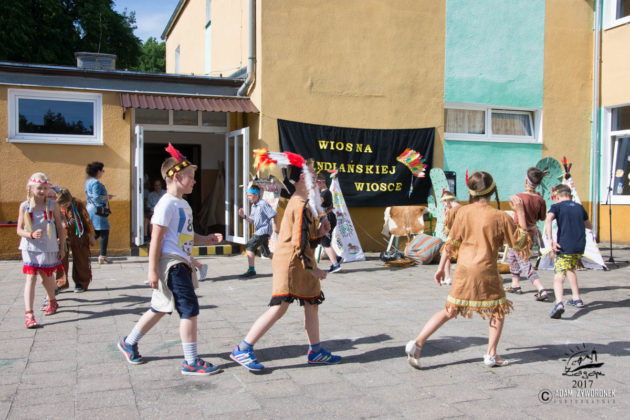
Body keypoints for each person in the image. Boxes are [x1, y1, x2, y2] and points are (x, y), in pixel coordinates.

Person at [405, 171, 530, 369]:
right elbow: (521, 242)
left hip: (463, 270)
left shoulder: (462, 212)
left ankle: (417, 343)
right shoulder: (499, 216)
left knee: (449, 310)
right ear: (492, 191)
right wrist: (520, 213)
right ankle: (491, 354)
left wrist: (440, 268)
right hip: (486, 269)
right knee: (497, 310)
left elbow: (451, 242)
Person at [117, 143, 223, 375]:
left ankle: (129, 342)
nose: (195, 181)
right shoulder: (165, 204)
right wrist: (152, 270)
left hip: (181, 263)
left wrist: (206, 239)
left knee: (160, 307)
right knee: (189, 308)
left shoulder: (183, 204)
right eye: (191, 176)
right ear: (176, 177)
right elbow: (156, 239)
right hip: (172, 264)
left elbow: (186, 236)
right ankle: (191, 361)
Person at [230, 151, 341, 372]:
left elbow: (305, 237)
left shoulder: (304, 203)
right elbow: (299, 242)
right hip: (292, 262)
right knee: (279, 308)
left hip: (300, 260)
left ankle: (316, 351)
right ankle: (243, 348)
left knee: (311, 303)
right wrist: (313, 269)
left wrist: (320, 232)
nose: (317, 179)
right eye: (313, 175)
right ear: (302, 178)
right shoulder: (300, 204)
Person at [16, 173, 66, 328]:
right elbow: (19, 230)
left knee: (46, 278)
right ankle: (29, 314)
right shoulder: (24, 206)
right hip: (30, 247)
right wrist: (30, 234)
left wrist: (62, 247)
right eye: (39, 188)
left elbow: (60, 228)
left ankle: (52, 300)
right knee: (31, 278)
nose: (43, 191)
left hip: (48, 247)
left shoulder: (52, 205)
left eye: (45, 188)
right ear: (31, 188)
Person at [544, 184, 592, 319]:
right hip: (579, 247)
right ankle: (577, 298)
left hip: (564, 247)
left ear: (557, 197)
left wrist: (551, 240)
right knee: (570, 269)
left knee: (559, 275)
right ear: (570, 196)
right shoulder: (579, 207)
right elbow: (589, 225)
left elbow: (548, 219)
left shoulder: (557, 207)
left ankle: (559, 303)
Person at [504, 167, 549, 300]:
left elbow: (516, 218)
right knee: (512, 257)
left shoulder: (518, 197)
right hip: (532, 232)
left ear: (525, 181)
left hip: (520, 234)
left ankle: (541, 289)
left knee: (524, 262)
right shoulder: (540, 199)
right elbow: (542, 217)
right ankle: (515, 284)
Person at [55, 188, 96, 293]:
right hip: (63, 236)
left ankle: (81, 283)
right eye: (62, 205)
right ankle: (61, 283)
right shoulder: (55, 206)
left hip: (79, 235)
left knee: (81, 259)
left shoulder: (78, 204)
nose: (64, 206)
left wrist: (91, 235)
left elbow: (87, 219)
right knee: (61, 259)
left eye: (66, 204)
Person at [238, 185, 278, 278]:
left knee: (249, 246)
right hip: (260, 231)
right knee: (266, 253)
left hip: (263, 231)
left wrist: (276, 228)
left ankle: (251, 270)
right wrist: (244, 216)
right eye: (248, 196)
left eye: (250, 195)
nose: (248, 198)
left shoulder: (263, 204)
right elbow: (252, 221)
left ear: (256, 195)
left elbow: (274, 215)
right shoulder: (254, 206)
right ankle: (283, 262)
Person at [85, 161, 113, 264]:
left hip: (90, 208)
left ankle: (83, 247)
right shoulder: (95, 182)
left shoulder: (88, 181)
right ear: (98, 171)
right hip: (98, 209)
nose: (102, 173)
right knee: (104, 231)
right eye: (102, 171)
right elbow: (96, 197)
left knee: (98, 231)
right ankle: (102, 255)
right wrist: (106, 197)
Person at [318, 174, 342, 273]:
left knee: (325, 242)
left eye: (315, 183)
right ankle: (337, 258)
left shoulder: (325, 193)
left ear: (320, 182)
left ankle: (335, 264)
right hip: (327, 218)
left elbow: (318, 203)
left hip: (327, 219)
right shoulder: (324, 193)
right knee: (321, 240)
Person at [440, 190, 461, 285]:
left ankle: (448, 277)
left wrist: (444, 217)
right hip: (464, 237)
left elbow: (447, 229)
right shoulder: (463, 208)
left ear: (447, 200)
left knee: (446, 254)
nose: (445, 205)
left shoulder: (452, 211)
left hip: (454, 238)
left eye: (444, 203)